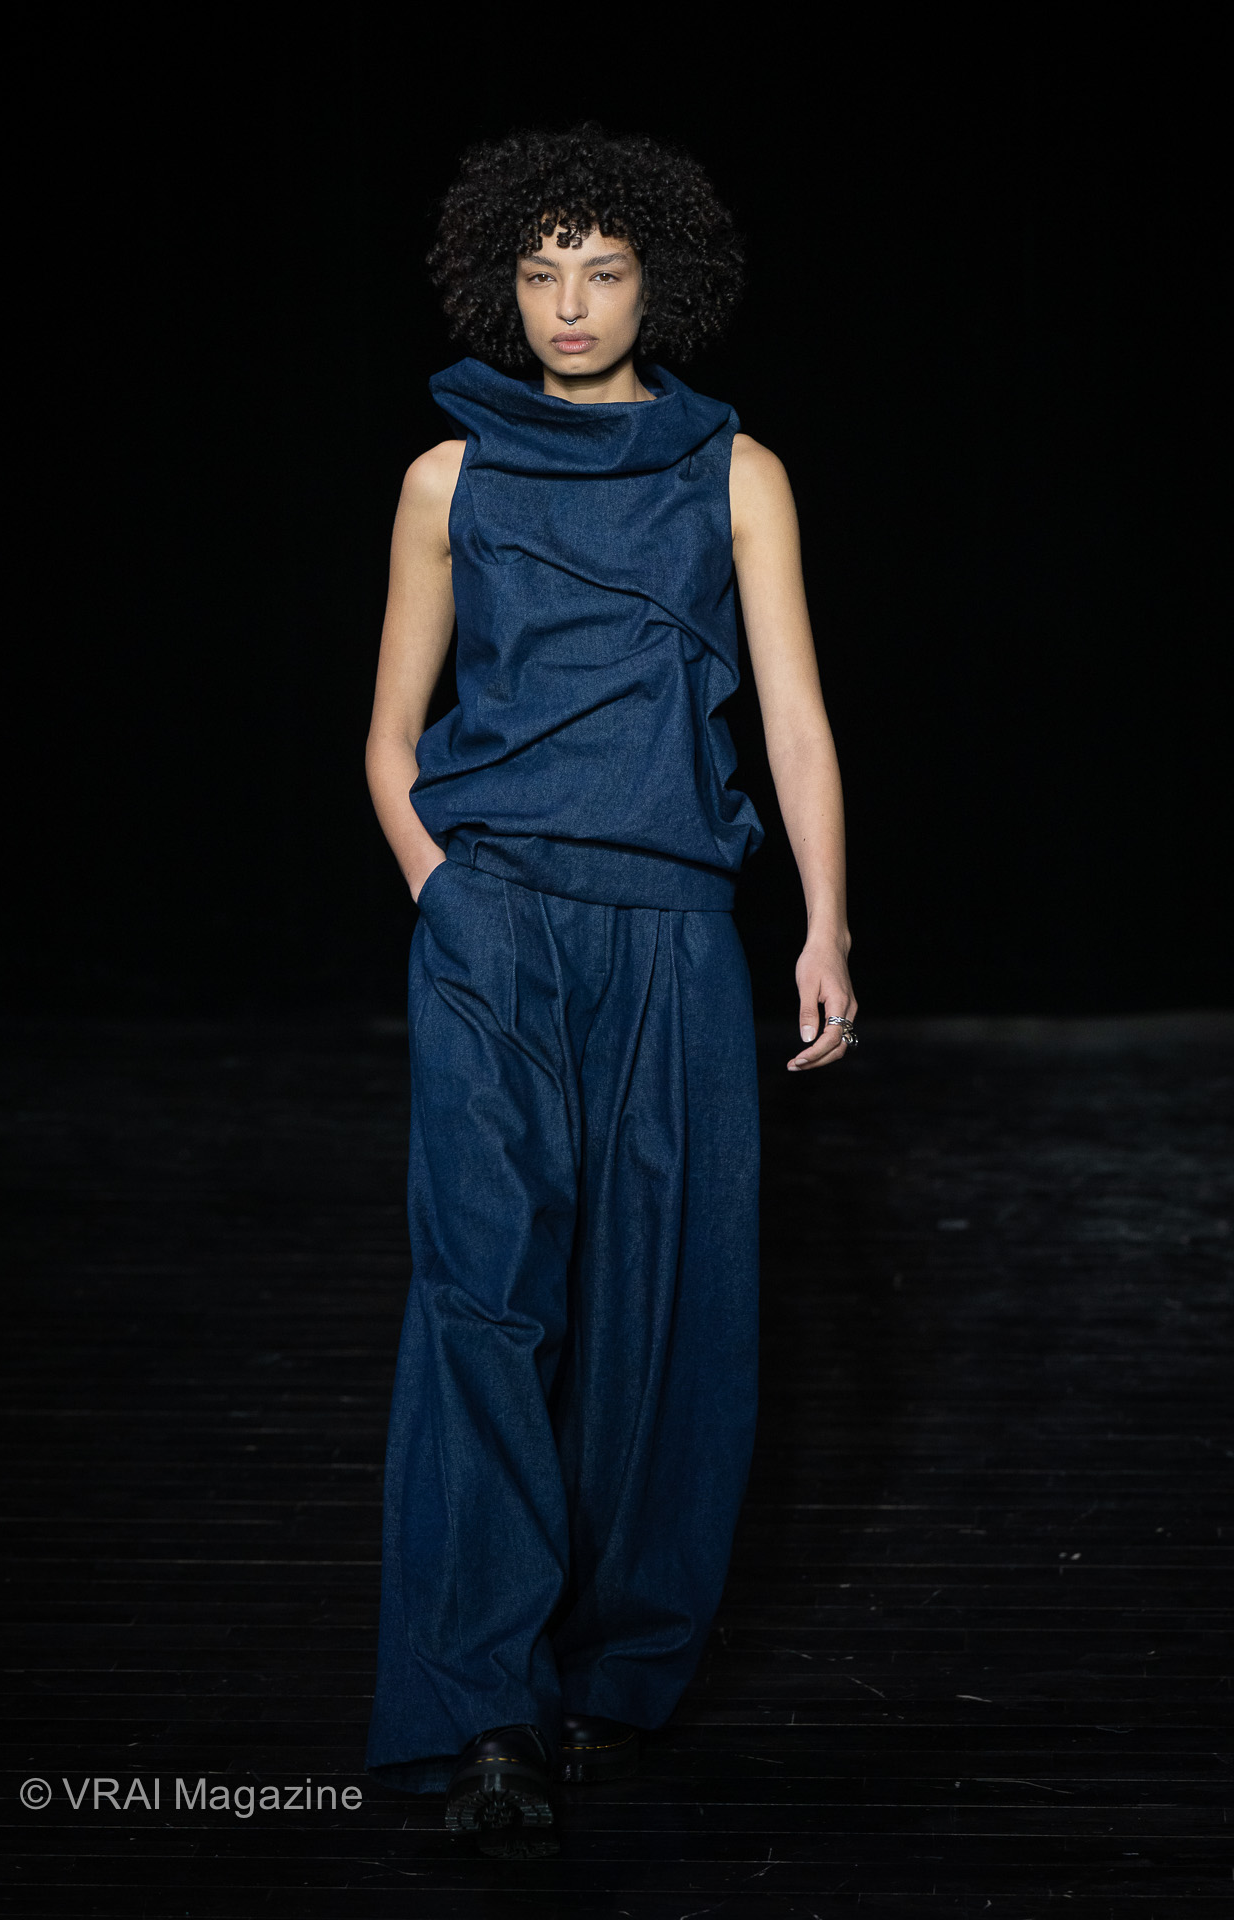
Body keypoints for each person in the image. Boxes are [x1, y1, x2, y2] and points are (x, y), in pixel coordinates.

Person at [362, 124, 856, 1856]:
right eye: (540, 271)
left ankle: (616, 1676)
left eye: (604, 270)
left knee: (668, 1303)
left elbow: (793, 719)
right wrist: (446, 894)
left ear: (662, 284)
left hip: (671, 923)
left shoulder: (735, 473)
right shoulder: (448, 479)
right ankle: (484, 1707)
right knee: (486, 1295)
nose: (569, 303)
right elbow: (388, 736)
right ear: (500, 286)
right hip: (496, 917)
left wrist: (824, 926)